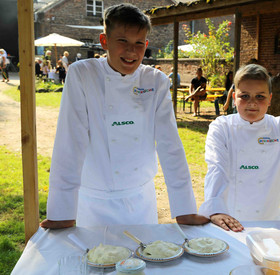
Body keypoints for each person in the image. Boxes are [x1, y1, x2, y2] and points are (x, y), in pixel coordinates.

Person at [40, 3, 208, 229]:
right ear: (104, 41)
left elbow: (170, 146)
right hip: (93, 202)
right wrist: (62, 212)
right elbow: (69, 143)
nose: (132, 51)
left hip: (140, 200)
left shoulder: (156, 81)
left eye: (139, 43)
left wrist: (185, 210)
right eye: (123, 41)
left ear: (146, 45)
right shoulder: (83, 75)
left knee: (142, 259)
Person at [199, 64, 280, 232]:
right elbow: (217, 167)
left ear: (270, 99)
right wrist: (216, 210)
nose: (252, 103)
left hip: (270, 225)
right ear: (234, 97)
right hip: (227, 221)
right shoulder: (221, 127)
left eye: (260, 97)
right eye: (244, 96)